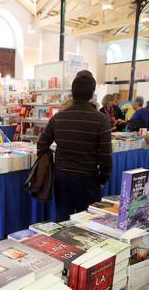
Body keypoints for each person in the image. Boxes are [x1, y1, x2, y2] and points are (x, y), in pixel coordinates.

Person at [37, 71, 112, 221]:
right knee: (88, 222)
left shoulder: (59, 117)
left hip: (62, 176)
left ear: (72, 92)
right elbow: (105, 156)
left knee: (63, 220)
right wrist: (103, 179)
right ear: (92, 93)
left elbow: (41, 144)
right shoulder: (100, 119)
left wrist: (55, 163)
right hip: (88, 178)